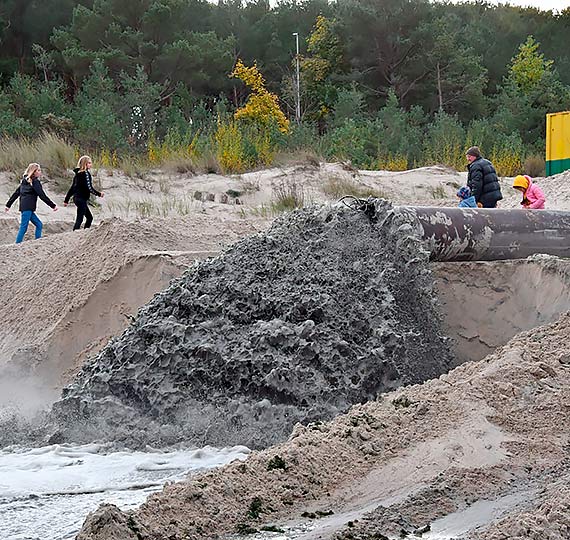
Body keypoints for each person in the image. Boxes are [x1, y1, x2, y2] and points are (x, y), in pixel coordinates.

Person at [4, 163, 58, 243]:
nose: (40, 172)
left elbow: (16, 193)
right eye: (38, 170)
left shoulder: (24, 181)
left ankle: (37, 242)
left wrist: (8, 205)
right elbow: (42, 195)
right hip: (27, 208)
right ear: (34, 172)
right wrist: (53, 206)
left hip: (26, 207)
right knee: (24, 227)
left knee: (39, 224)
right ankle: (17, 244)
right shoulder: (35, 182)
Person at [64, 155, 104, 230]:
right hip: (81, 199)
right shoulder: (85, 174)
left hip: (77, 199)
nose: (90, 165)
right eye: (89, 163)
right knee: (81, 218)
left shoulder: (77, 174)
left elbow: (72, 188)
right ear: (84, 164)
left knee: (89, 218)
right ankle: (77, 233)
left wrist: (66, 200)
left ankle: (84, 232)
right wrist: (99, 194)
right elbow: (89, 188)